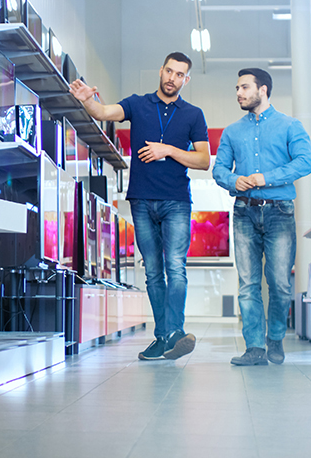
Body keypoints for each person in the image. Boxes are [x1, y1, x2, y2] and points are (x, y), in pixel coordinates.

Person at [69, 52, 210, 361]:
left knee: (175, 267)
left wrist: (169, 150)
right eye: (169, 71)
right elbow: (104, 111)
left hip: (176, 202)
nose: (173, 78)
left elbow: (203, 160)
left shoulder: (193, 114)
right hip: (142, 200)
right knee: (154, 274)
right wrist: (86, 101)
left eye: (180, 74)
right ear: (161, 71)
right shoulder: (137, 104)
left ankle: (173, 332)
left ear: (186, 79)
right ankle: (165, 337)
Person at [212, 68, 311, 366]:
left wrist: (264, 178)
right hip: (243, 212)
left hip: (280, 213)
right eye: (237, 88)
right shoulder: (232, 131)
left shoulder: (290, 126)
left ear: (263, 89)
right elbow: (219, 170)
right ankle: (255, 347)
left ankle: (276, 338)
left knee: (281, 283)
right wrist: (234, 181)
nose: (239, 93)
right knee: (248, 283)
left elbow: (305, 162)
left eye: (244, 87)